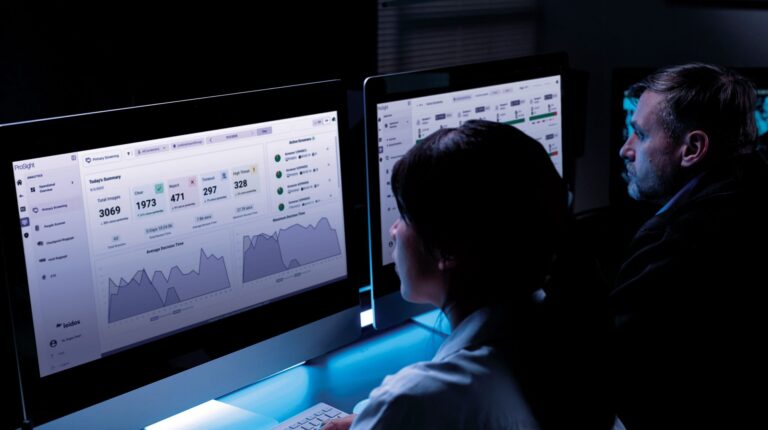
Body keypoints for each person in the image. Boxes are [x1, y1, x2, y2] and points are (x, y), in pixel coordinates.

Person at [325, 119, 614, 430]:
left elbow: (427, 405)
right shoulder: (569, 336)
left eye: (404, 215)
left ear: (447, 251)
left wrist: (390, 417)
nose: (394, 229)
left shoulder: (413, 400)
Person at [614, 63, 768, 428]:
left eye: (640, 134)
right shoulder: (753, 183)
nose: (625, 149)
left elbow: (603, 365)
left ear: (693, 148)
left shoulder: (682, 244)